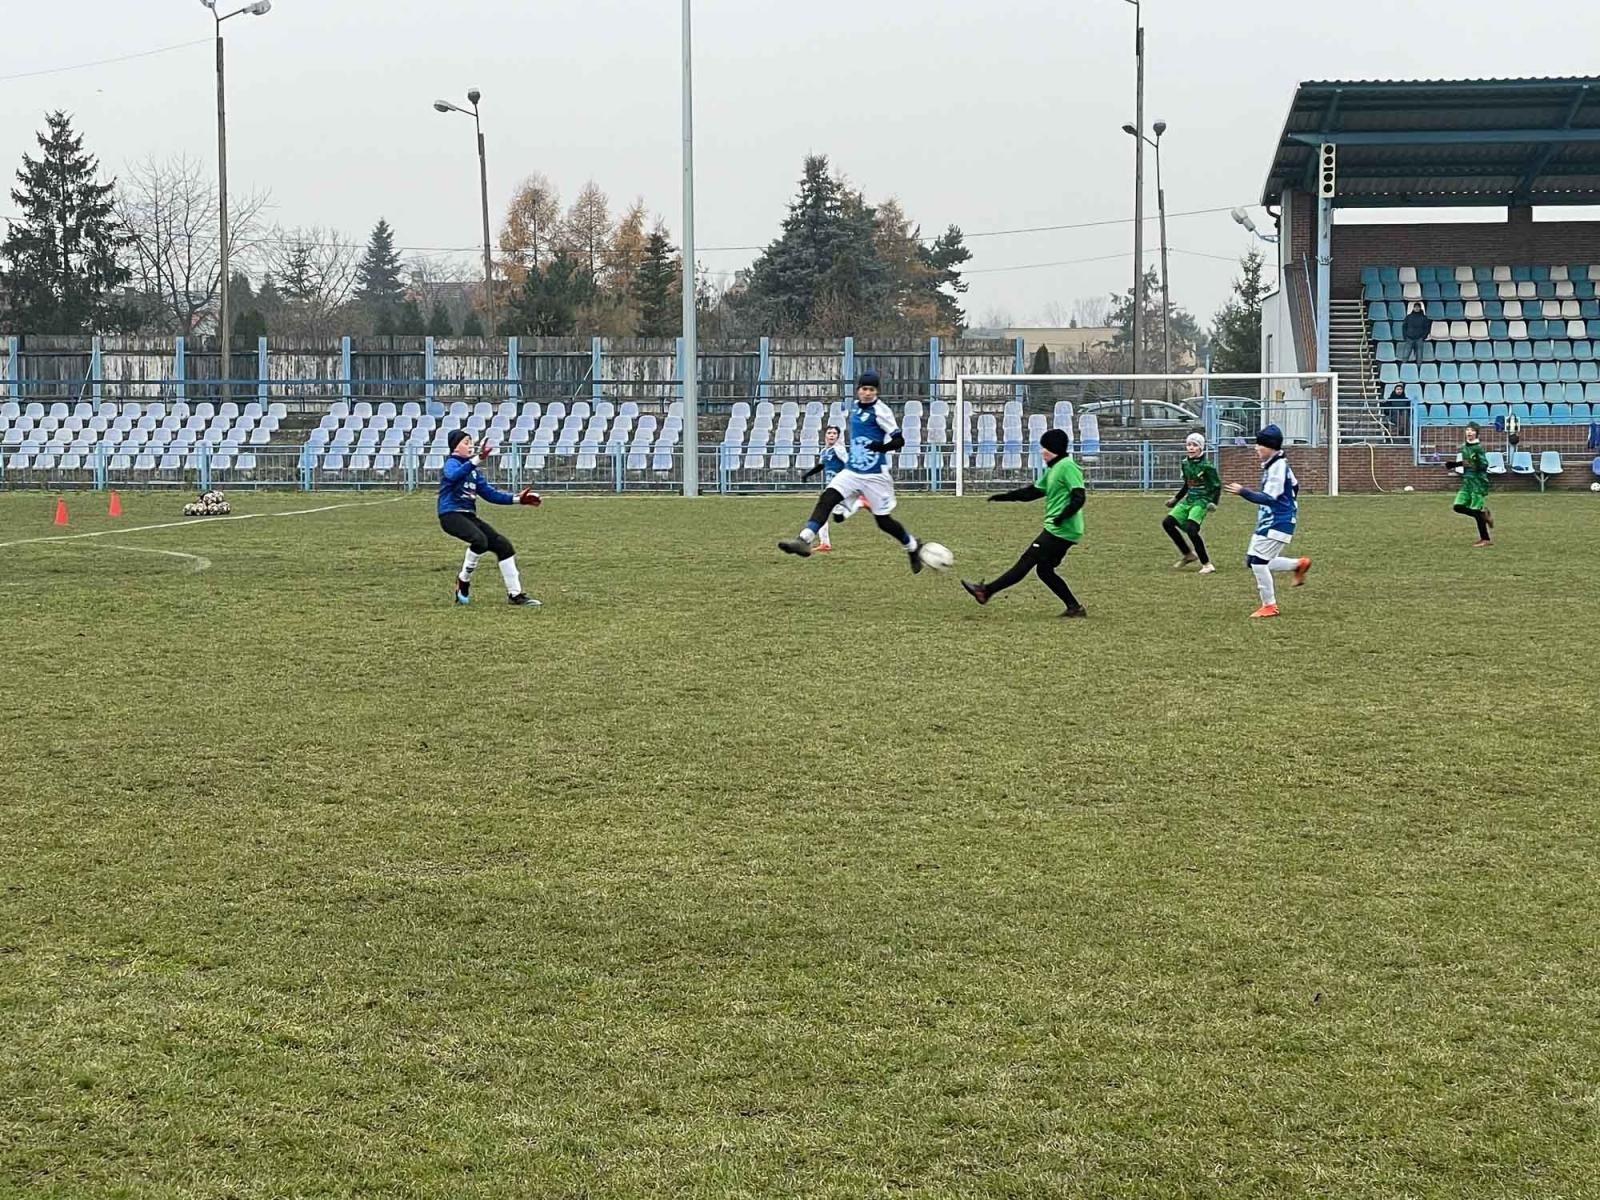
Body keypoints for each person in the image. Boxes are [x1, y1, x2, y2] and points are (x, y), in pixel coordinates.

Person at [778, 371, 929, 572]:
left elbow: (899, 440)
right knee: (827, 498)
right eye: (864, 389)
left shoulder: (881, 411)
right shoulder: (856, 407)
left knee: (884, 522)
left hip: (875, 475)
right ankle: (804, 539)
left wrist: (881, 447)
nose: (867, 393)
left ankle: (912, 547)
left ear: (877, 392)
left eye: (872, 390)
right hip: (853, 471)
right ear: (858, 390)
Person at [959, 428, 1087, 618]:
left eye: (1044, 448)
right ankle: (1074, 608)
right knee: (1044, 571)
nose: (1041, 452)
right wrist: (1004, 497)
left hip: (1061, 529)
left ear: (1053, 449)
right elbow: (1031, 493)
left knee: (1027, 560)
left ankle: (985, 591)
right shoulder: (1054, 469)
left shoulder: (1067, 466)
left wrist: (1062, 516)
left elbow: (1079, 497)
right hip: (1062, 529)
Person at [438, 429, 542, 606]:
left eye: (471, 442)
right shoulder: (452, 463)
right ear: (455, 447)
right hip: (450, 514)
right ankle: (463, 580)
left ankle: (515, 595)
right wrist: (477, 459)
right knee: (480, 541)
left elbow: (490, 495)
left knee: (504, 546)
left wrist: (518, 500)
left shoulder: (474, 472)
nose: (470, 446)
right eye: (466, 442)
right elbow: (453, 476)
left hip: (468, 515)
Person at [1225, 424, 1310, 619]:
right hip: (1269, 520)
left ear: (1270, 447)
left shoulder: (1278, 467)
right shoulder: (1277, 463)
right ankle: (1298, 564)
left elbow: (1269, 498)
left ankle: (1269, 605)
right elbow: (1295, 487)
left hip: (1277, 522)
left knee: (1259, 563)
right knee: (1252, 561)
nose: (1256, 448)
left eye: (1259, 445)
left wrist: (1243, 491)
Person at [1162, 431, 1221, 574]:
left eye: (1195, 445)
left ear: (1201, 448)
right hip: (1189, 499)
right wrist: (1176, 499)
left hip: (1202, 501)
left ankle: (1207, 564)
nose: (1191, 448)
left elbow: (1216, 486)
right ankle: (1188, 554)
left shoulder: (1207, 467)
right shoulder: (1185, 463)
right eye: (1189, 444)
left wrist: (1213, 502)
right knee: (1167, 523)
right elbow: (1187, 485)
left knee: (1191, 529)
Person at [798, 425, 857, 552]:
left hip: (840, 487)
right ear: (825, 435)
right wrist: (808, 475)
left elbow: (848, 463)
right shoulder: (824, 451)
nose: (831, 435)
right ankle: (825, 543)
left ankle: (860, 502)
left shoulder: (839, 449)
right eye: (829, 433)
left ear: (838, 436)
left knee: (833, 514)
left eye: (834, 433)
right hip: (831, 487)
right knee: (823, 513)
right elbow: (821, 466)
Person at [1450, 420, 1494, 547]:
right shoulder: (1465, 447)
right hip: (1467, 482)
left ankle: (1485, 539)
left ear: (1476, 434)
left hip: (1477, 483)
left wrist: (1476, 465)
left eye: (1472, 430)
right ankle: (1484, 514)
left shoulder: (1478, 448)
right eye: (1468, 430)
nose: (1469, 432)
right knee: (1457, 506)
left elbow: (1484, 464)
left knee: (1476, 509)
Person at [1401, 301, 1430, 366]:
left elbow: (1427, 328)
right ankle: (1402, 368)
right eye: (1415, 307)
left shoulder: (1424, 318)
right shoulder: (1408, 317)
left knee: (1419, 356)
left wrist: (1423, 337)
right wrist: (1405, 337)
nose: (1416, 308)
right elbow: (1404, 327)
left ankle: (1418, 370)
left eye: (1418, 307)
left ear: (1420, 308)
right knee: (1405, 355)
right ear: (1413, 308)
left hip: (1419, 339)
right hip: (1409, 338)